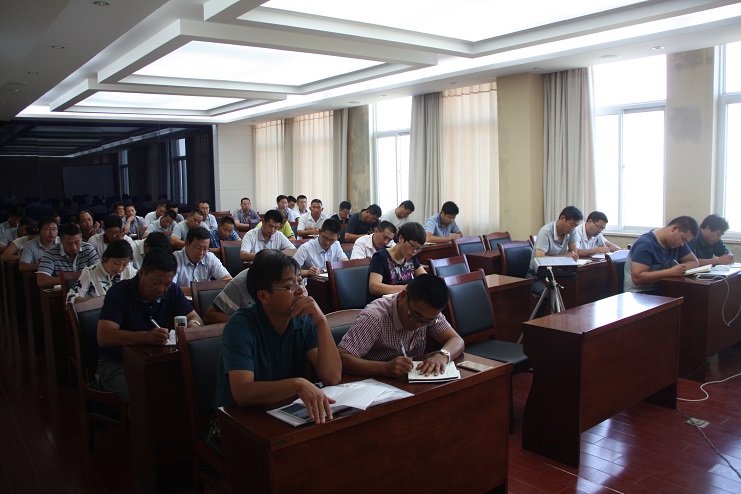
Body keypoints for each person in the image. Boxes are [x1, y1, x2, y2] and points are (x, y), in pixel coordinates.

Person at [212, 249, 342, 424]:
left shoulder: (304, 320)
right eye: (290, 286)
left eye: (300, 282)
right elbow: (242, 393)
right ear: (263, 296)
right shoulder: (240, 325)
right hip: (238, 422)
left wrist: (321, 322)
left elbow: (332, 377)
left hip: (286, 414)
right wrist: (297, 385)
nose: (300, 290)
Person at [97, 249, 203, 402]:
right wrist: (146, 337)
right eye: (156, 283)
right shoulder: (119, 293)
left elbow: (194, 317)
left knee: (189, 388)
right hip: (118, 362)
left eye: (167, 284)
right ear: (141, 273)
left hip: (158, 361)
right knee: (143, 397)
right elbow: (104, 336)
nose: (161, 290)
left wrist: (194, 325)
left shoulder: (172, 291)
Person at [339, 274, 465, 378]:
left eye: (427, 321)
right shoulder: (375, 317)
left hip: (407, 382)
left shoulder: (428, 315)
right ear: (403, 296)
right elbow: (341, 358)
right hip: (371, 381)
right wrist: (384, 368)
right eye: (414, 315)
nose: (419, 325)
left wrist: (443, 356)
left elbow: (457, 340)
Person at [625, 216, 700, 294]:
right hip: (639, 294)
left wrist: (678, 270)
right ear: (674, 228)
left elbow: (693, 262)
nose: (682, 244)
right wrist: (670, 272)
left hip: (661, 289)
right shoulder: (646, 244)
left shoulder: (676, 242)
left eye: (685, 242)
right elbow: (637, 278)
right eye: (683, 239)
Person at [527, 206, 583, 296]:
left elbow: (574, 254)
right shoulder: (546, 232)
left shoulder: (572, 232)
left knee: (577, 287)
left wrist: (571, 256)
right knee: (553, 294)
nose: (573, 228)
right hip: (538, 275)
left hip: (557, 273)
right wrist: (565, 256)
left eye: (575, 226)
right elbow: (539, 257)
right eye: (572, 224)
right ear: (562, 218)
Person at [367, 222, 427, 304]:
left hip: (404, 303)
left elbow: (425, 278)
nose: (414, 251)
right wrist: (406, 288)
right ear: (401, 238)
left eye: (419, 249)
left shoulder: (411, 257)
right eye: (413, 246)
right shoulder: (381, 257)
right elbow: (374, 287)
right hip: (383, 305)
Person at [67, 239, 137, 303]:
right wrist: (98, 302)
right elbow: (71, 299)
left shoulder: (129, 271)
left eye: (125, 264)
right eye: (116, 263)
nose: (120, 269)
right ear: (106, 258)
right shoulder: (90, 273)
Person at [37, 223, 100, 288]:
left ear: (81, 238)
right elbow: (42, 280)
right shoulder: (51, 252)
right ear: (61, 240)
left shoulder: (88, 248)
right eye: (69, 244)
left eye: (77, 243)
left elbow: (99, 272)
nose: (74, 247)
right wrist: (72, 279)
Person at [173, 227, 232, 294]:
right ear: (187, 244)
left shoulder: (210, 257)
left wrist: (202, 291)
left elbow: (228, 280)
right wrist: (200, 290)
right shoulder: (175, 259)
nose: (201, 253)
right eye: (198, 248)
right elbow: (170, 289)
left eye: (205, 249)